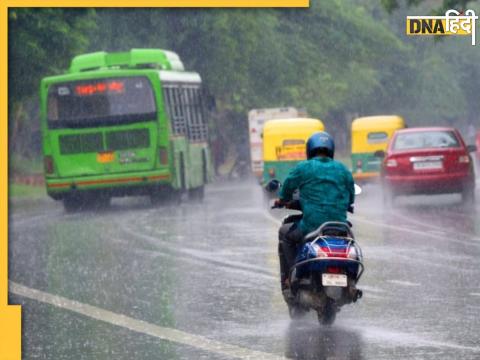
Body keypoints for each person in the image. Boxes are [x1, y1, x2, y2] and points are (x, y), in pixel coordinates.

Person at [274, 131, 355, 294]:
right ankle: (350, 280)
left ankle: (291, 277)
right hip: (339, 227)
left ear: (309, 150)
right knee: (351, 240)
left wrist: (282, 200)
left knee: (285, 234)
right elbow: (351, 196)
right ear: (331, 149)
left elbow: (287, 187)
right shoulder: (343, 169)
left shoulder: (303, 168)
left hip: (310, 226)